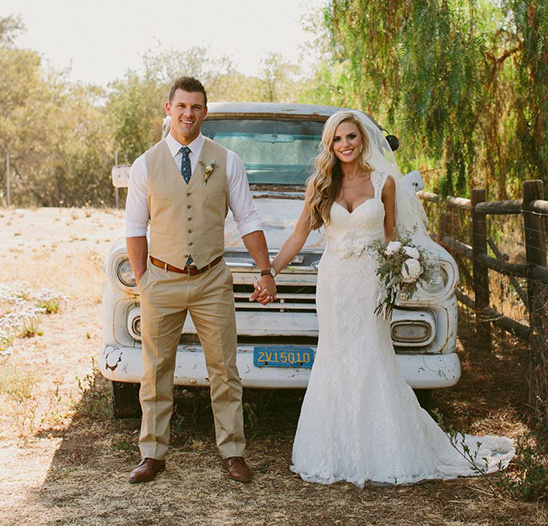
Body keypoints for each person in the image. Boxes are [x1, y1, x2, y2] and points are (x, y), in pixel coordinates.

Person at [253, 110, 515, 487]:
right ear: (330, 146)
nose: (345, 145)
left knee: (372, 353)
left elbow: (393, 236)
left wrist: (406, 264)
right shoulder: (321, 185)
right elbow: (297, 236)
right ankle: (333, 450)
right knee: (335, 353)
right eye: (337, 140)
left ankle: (384, 448)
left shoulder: (384, 182)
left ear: (363, 140)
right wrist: (270, 272)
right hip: (334, 281)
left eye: (351, 137)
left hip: (369, 283)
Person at [125, 76, 277, 484]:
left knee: (225, 370)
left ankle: (233, 452)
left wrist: (266, 272)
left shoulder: (228, 160)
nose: (188, 113)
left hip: (212, 279)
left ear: (205, 112)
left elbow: (248, 219)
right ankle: (152, 453)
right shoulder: (145, 164)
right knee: (155, 370)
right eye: (181, 106)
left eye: (196, 107)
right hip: (162, 279)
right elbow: (135, 229)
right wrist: (145, 283)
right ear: (169, 110)